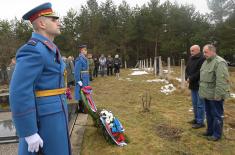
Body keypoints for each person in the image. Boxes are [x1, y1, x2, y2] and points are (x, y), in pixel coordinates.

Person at [9, 3, 71, 154]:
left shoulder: (48, 48)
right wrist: (29, 132)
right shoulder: (33, 50)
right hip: (43, 122)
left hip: (55, 115)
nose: (59, 22)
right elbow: (19, 91)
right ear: (42, 23)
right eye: (54, 19)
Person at [199, 44, 230, 141]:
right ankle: (210, 131)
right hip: (207, 94)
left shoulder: (219, 62)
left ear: (213, 51)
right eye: (203, 52)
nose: (204, 54)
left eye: (206, 52)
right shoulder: (206, 62)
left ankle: (217, 135)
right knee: (208, 114)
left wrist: (219, 95)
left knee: (217, 115)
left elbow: (221, 82)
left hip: (215, 96)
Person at [185, 45, 206, 129]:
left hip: (199, 85)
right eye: (191, 50)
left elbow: (200, 72)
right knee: (194, 103)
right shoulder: (191, 58)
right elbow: (187, 69)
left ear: (198, 50)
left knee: (200, 104)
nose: (191, 52)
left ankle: (200, 122)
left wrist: (191, 78)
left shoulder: (202, 59)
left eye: (193, 50)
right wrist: (186, 77)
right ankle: (196, 119)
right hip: (192, 85)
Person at [74, 45, 90, 113]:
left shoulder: (84, 58)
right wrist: (78, 80)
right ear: (81, 50)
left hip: (85, 78)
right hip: (82, 79)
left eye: (86, 50)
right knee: (80, 93)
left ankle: (84, 107)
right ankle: (81, 108)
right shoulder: (79, 59)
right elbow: (76, 71)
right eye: (84, 50)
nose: (86, 51)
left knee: (85, 92)